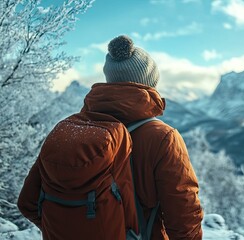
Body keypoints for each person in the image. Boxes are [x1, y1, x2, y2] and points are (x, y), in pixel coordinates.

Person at [18, 35, 203, 239]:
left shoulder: (70, 131)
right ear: (149, 82)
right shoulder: (163, 138)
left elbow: (28, 203)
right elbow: (184, 217)